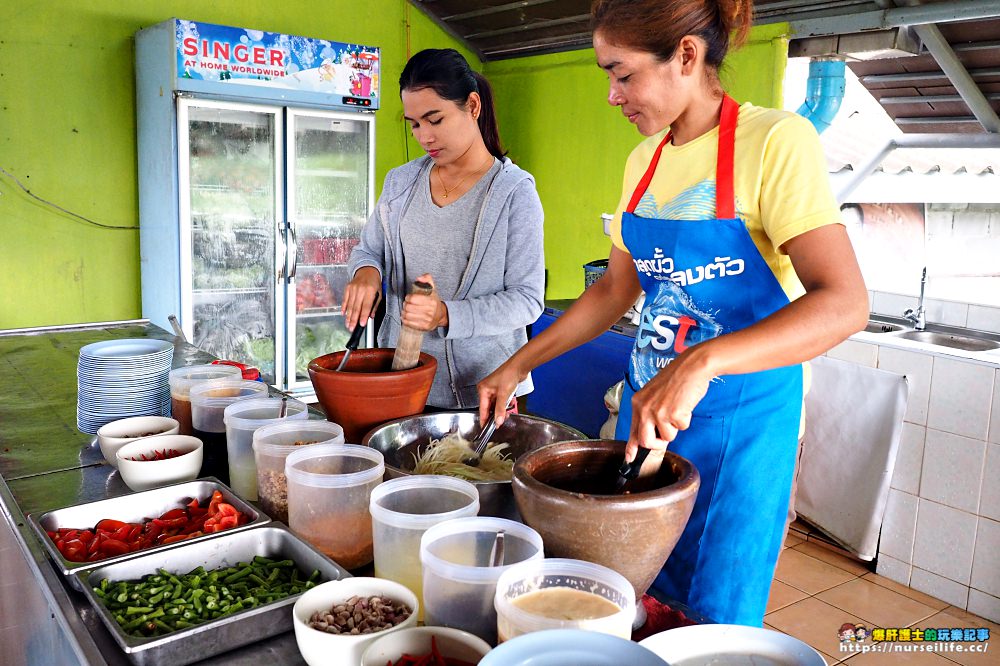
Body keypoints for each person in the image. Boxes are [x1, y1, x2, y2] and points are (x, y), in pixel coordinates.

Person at [478, 0, 868, 626]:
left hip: (739, 429)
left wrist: (701, 363)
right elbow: (614, 291)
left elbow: (844, 302)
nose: (612, 95)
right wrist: (514, 365)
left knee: (709, 619)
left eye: (622, 73)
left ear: (686, 55)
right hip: (648, 417)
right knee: (632, 604)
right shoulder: (644, 160)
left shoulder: (773, 141)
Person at [344, 48, 545, 410]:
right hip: (402, 378)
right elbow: (369, 250)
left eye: (435, 119)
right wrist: (367, 272)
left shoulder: (514, 192)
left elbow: (527, 300)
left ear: (472, 105)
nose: (424, 136)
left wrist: (445, 315)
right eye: (414, 123)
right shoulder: (400, 182)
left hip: (484, 389)